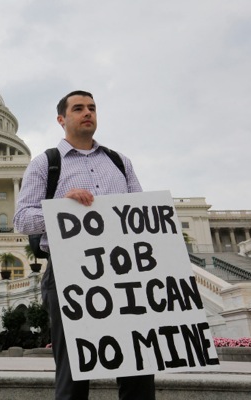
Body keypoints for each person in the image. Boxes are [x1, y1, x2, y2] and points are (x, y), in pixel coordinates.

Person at [13, 90, 155, 399]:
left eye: (92, 107)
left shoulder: (120, 162)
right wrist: (62, 209)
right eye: (78, 108)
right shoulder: (44, 164)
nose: (87, 112)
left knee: (139, 368)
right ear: (62, 119)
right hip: (69, 272)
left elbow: (141, 214)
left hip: (123, 271)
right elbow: (22, 219)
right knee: (74, 370)